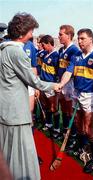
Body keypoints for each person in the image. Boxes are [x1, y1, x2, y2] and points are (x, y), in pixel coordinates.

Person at [0, 12, 57, 180]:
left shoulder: (3, 50)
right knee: (21, 152)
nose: (32, 35)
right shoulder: (16, 52)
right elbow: (35, 82)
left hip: (5, 109)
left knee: (6, 150)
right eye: (31, 31)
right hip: (16, 112)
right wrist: (55, 86)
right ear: (23, 31)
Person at [55, 28, 93, 173]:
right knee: (78, 123)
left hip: (90, 95)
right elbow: (68, 72)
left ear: (91, 39)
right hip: (76, 92)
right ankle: (82, 148)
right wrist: (61, 84)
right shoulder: (76, 55)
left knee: (88, 128)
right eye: (78, 38)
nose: (80, 41)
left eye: (83, 38)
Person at [58, 25, 80, 147]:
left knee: (71, 112)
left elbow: (70, 72)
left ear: (69, 35)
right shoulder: (61, 50)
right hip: (62, 83)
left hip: (70, 84)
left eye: (61, 34)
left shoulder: (74, 51)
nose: (59, 36)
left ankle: (73, 136)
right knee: (64, 110)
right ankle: (66, 131)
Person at [39, 35, 61, 139]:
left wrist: (56, 87)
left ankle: (57, 128)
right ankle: (49, 124)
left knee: (54, 108)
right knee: (47, 106)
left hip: (51, 85)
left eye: (43, 45)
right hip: (43, 84)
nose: (42, 47)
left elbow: (58, 73)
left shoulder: (56, 56)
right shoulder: (45, 54)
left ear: (49, 43)